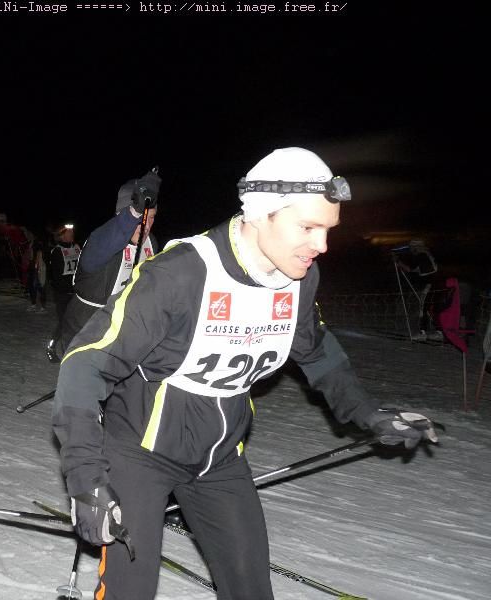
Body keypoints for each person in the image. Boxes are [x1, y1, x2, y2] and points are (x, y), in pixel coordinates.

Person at [52, 147, 438, 600]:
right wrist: (86, 479)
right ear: (261, 215)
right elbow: (84, 365)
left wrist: (371, 415)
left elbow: (319, 353)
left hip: (219, 457)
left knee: (251, 589)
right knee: (129, 592)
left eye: (328, 230)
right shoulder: (183, 274)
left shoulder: (298, 279)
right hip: (140, 453)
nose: (322, 245)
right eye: (308, 227)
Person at [48, 168, 161, 363]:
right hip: (86, 328)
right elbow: (113, 233)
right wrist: (135, 210)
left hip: (123, 330)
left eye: (151, 218)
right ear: (123, 214)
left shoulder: (151, 243)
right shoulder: (101, 242)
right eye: (141, 218)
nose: (147, 225)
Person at [393, 239, 438, 340]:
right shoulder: (427, 255)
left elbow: (410, 268)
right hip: (433, 284)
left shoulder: (421, 255)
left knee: (420, 308)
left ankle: (421, 332)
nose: (411, 250)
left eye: (412, 248)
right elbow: (420, 269)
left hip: (427, 285)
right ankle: (430, 330)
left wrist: (398, 262)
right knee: (425, 307)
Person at [46, 223, 81, 345]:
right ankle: (52, 344)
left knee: (77, 321)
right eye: (68, 233)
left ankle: (73, 347)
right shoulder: (57, 251)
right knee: (64, 322)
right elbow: (55, 274)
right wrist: (63, 288)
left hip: (76, 292)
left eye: (72, 232)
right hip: (62, 293)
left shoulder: (77, 247)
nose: (72, 235)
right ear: (61, 236)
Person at [27, 234, 48, 313]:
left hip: (39, 268)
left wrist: (38, 266)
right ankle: (33, 304)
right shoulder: (31, 243)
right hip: (33, 268)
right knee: (32, 287)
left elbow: (39, 254)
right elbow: (30, 256)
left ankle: (42, 307)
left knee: (40, 286)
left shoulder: (38, 243)